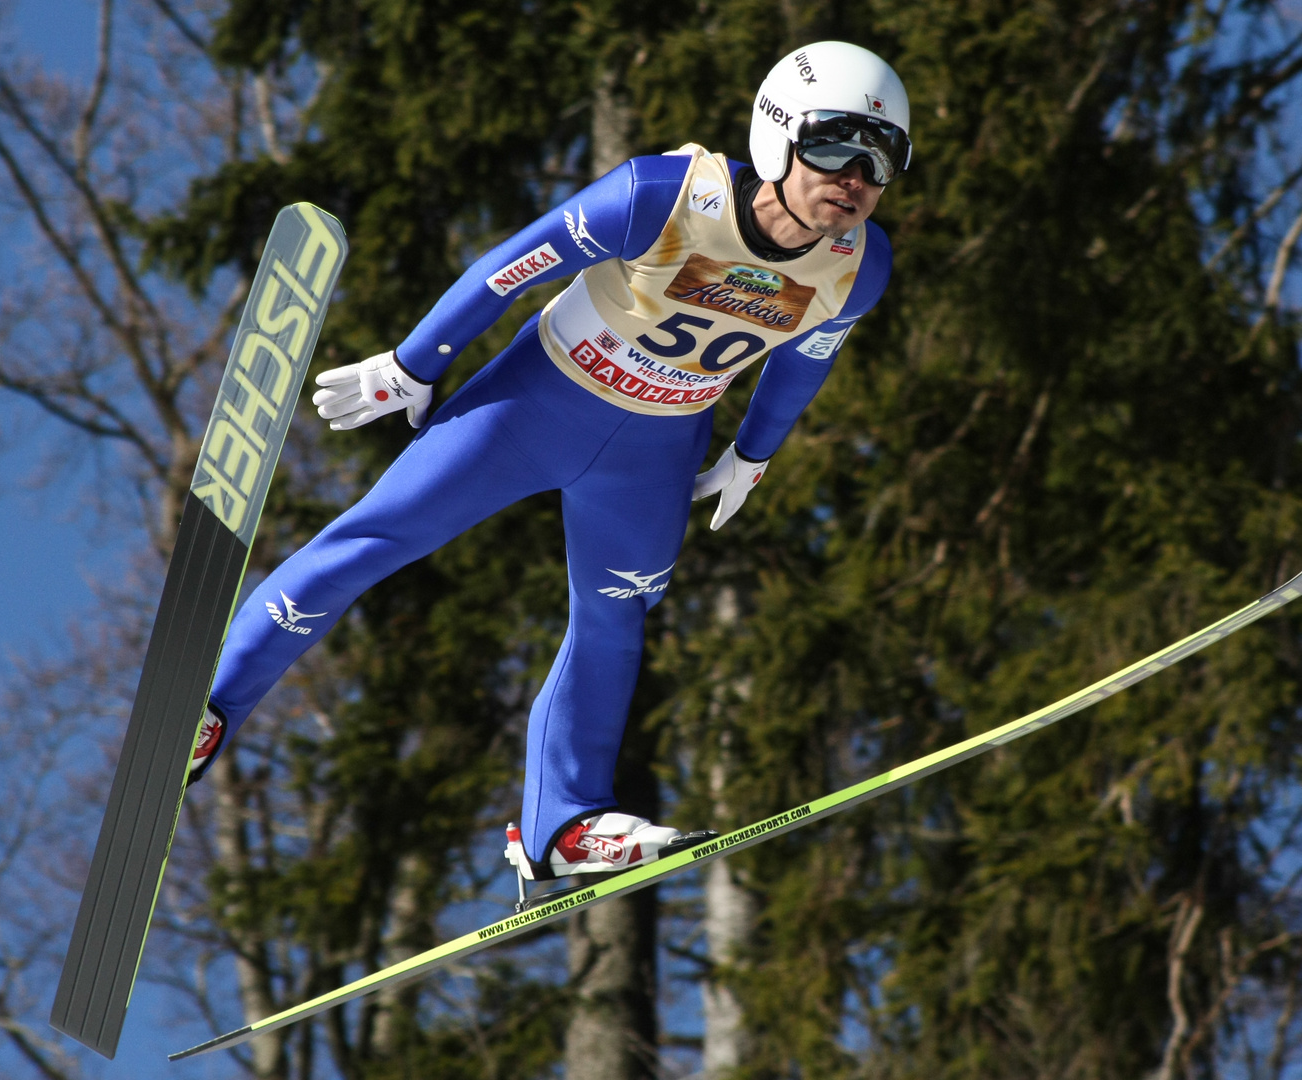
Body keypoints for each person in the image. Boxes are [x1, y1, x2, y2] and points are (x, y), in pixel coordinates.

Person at [190, 41, 911, 887]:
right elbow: (513, 265)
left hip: (654, 451)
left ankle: (560, 825)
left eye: (880, 158)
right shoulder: (662, 195)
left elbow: (803, 359)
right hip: (535, 405)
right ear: (777, 135)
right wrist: (415, 362)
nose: (854, 176)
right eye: (834, 145)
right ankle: (210, 710)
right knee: (373, 539)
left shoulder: (860, 269)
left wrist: (752, 455)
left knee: (613, 619)